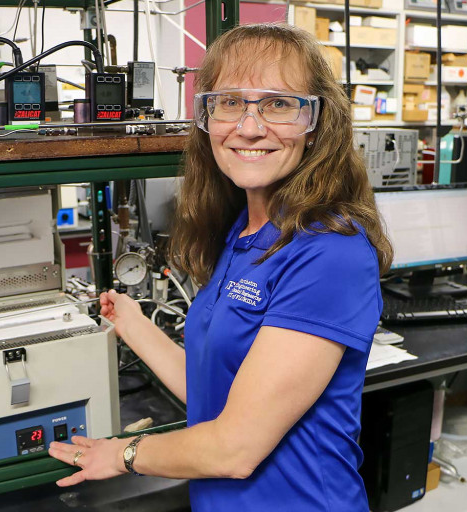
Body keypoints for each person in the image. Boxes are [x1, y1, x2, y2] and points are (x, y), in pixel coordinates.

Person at [48, 22, 393, 511]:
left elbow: (235, 447)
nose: (249, 128)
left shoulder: (329, 251)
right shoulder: (244, 233)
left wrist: (123, 454)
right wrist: (131, 323)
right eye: (230, 102)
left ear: (316, 123)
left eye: (278, 103)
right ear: (208, 117)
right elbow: (213, 390)